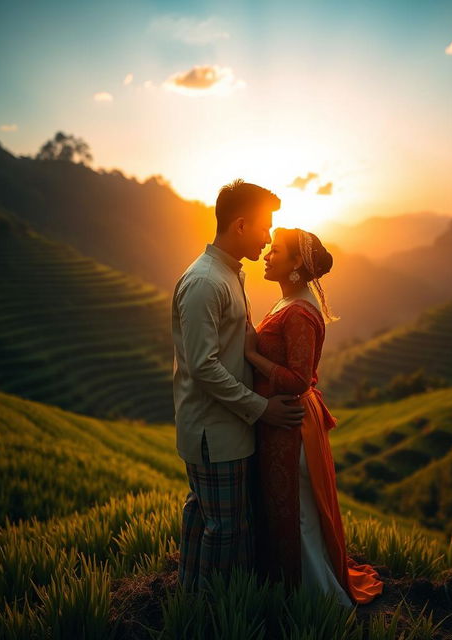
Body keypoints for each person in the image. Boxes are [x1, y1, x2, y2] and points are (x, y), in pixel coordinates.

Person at [171, 180, 306, 591]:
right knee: (227, 531)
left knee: (204, 520)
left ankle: (192, 603)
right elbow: (203, 367)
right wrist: (262, 408)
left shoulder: (228, 276)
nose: (268, 239)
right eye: (265, 228)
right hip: (217, 430)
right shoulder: (206, 284)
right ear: (242, 225)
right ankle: (214, 615)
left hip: (224, 427)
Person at [245, 227, 384, 606]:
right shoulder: (287, 302)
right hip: (279, 422)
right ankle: (291, 589)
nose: (268, 256)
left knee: (298, 509)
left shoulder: (300, 312)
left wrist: (252, 355)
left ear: (295, 265)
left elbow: (298, 379)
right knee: (283, 506)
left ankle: (317, 600)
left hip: (292, 424)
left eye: (276, 251)